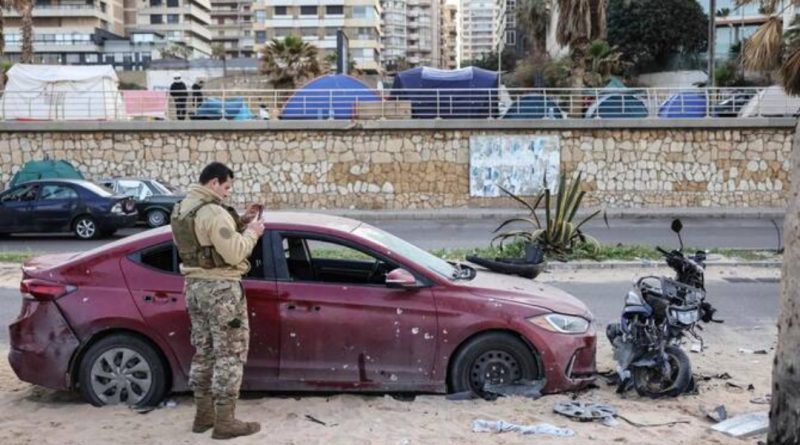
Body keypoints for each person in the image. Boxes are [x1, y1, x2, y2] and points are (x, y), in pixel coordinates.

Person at [171, 162, 265, 439]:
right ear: (213, 183)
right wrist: (253, 232)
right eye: (226, 187)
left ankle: (203, 416)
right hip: (221, 290)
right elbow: (234, 253)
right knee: (230, 355)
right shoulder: (213, 212)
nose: (227, 192)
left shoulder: (183, 208)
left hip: (194, 287)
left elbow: (205, 240)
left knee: (204, 352)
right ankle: (225, 422)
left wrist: (242, 220)